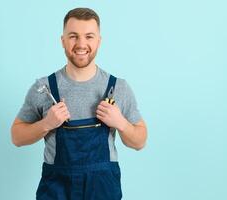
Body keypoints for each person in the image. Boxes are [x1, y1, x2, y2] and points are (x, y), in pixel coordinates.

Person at [11, 7, 147, 200]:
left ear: (99, 41)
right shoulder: (43, 88)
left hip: (102, 189)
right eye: (73, 36)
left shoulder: (118, 88)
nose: (81, 44)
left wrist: (121, 123)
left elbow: (140, 141)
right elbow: (17, 137)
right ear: (63, 41)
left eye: (89, 36)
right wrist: (46, 124)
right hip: (56, 189)